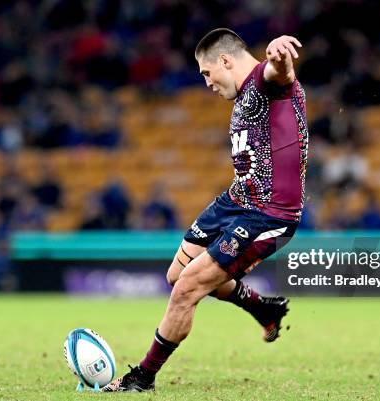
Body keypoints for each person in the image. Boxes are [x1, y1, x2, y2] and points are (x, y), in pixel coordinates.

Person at [104, 28, 309, 392]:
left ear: (225, 60)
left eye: (206, 73)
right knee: (175, 276)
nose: (207, 83)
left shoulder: (265, 83)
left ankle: (142, 377)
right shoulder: (244, 97)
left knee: (186, 289)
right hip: (236, 201)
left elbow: (280, 73)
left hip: (269, 215)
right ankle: (263, 308)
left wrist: (279, 55)